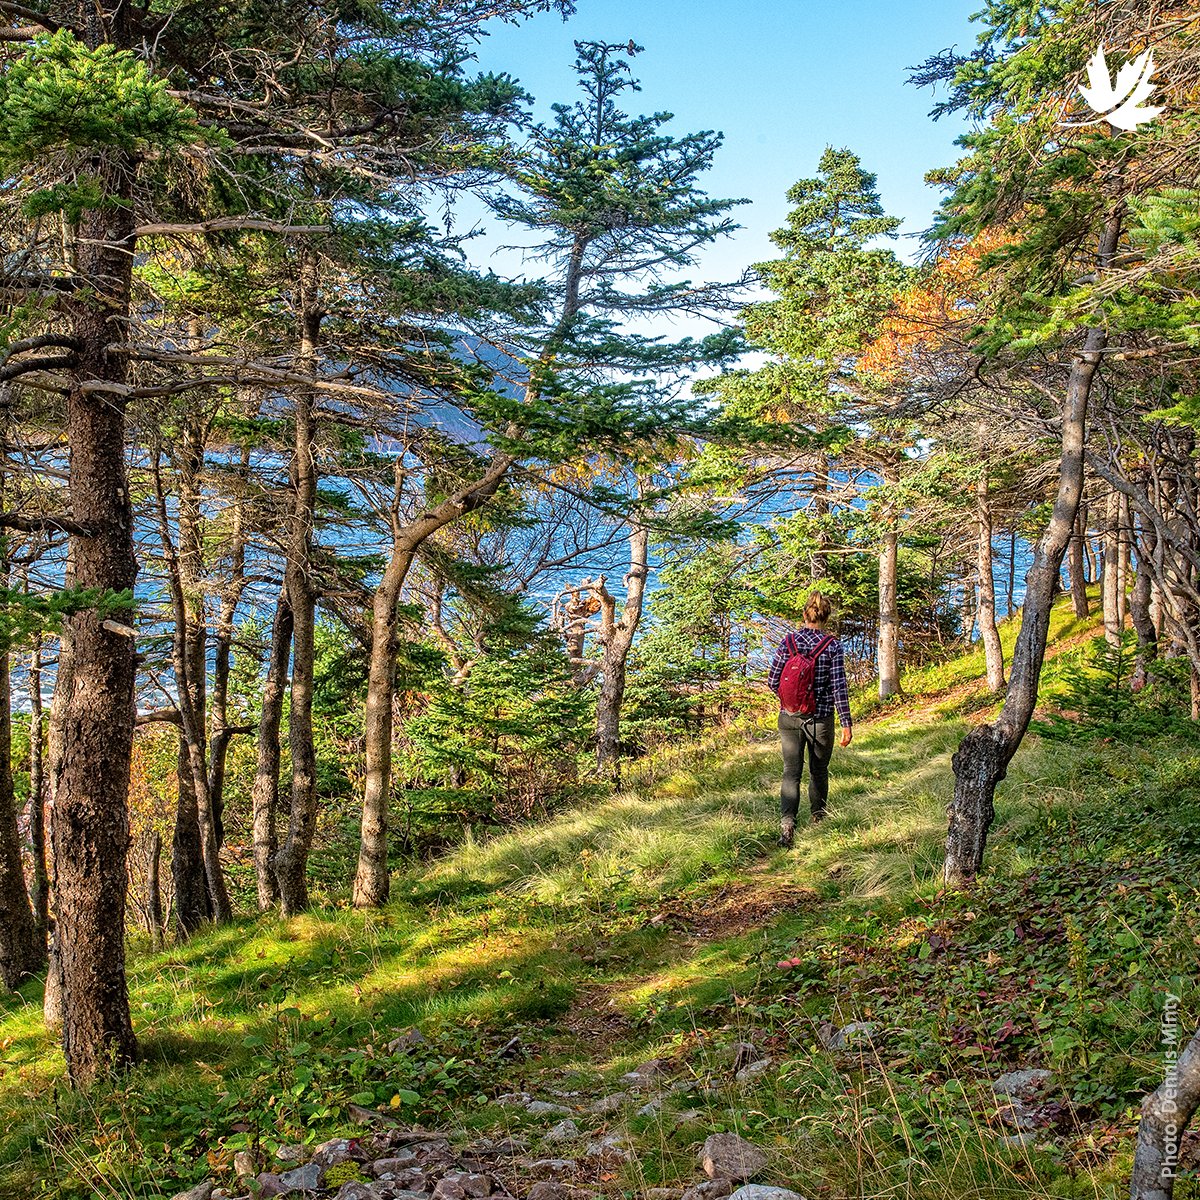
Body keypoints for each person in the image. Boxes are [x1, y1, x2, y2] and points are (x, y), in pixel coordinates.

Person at [767, 591, 852, 847]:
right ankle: (818, 819)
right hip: (821, 719)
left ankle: (787, 826)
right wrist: (846, 723)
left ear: (805, 615)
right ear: (826, 618)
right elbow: (839, 687)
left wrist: (791, 700)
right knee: (818, 771)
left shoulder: (788, 641)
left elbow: (773, 680)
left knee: (791, 772)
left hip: (789, 717)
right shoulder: (832, 646)